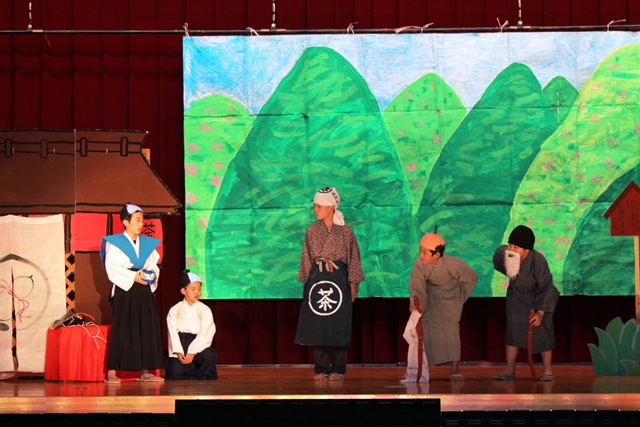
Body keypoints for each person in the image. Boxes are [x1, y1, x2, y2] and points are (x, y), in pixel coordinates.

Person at [294, 187, 365, 381]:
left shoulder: (346, 231)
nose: (316, 210)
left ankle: (339, 368)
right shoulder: (311, 230)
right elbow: (306, 258)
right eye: (314, 206)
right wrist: (306, 284)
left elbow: (354, 259)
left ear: (332, 207)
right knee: (320, 323)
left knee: (338, 323)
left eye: (320, 206)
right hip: (317, 279)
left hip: (338, 280)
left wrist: (353, 285)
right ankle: (321, 367)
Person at [100, 203, 164, 383]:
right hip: (125, 288)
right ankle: (112, 372)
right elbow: (112, 267)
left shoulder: (147, 244)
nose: (141, 224)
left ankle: (145, 371)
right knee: (122, 328)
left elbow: (154, 265)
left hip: (143, 288)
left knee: (146, 328)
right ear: (125, 222)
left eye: (142, 220)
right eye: (137, 220)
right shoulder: (115, 243)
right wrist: (133, 276)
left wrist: (151, 276)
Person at [493, 225, 560, 382]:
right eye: (510, 245)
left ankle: (548, 371)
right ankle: (510, 370)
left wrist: (540, 313)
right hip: (516, 298)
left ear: (527, 250)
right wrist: (508, 251)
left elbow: (546, 287)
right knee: (513, 332)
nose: (511, 249)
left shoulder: (538, 261)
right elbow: (498, 256)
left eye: (516, 247)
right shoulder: (508, 255)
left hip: (538, 298)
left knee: (542, 333)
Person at [408, 232, 478, 381]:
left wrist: (460, 297)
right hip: (430, 298)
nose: (421, 255)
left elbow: (471, 277)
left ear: (437, 254)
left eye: (425, 252)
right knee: (425, 332)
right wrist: (416, 306)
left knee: (451, 334)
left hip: (450, 299)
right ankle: (421, 369)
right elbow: (417, 287)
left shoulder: (453, 263)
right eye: (420, 251)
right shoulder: (419, 265)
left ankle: (455, 369)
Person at [165, 270, 218, 380]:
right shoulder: (175, 309)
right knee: (175, 371)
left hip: (199, 345)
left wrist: (192, 352)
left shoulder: (205, 309)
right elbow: (172, 332)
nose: (197, 292)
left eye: (199, 289)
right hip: (181, 343)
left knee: (208, 356)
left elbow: (206, 332)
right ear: (183, 291)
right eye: (193, 289)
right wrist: (179, 352)